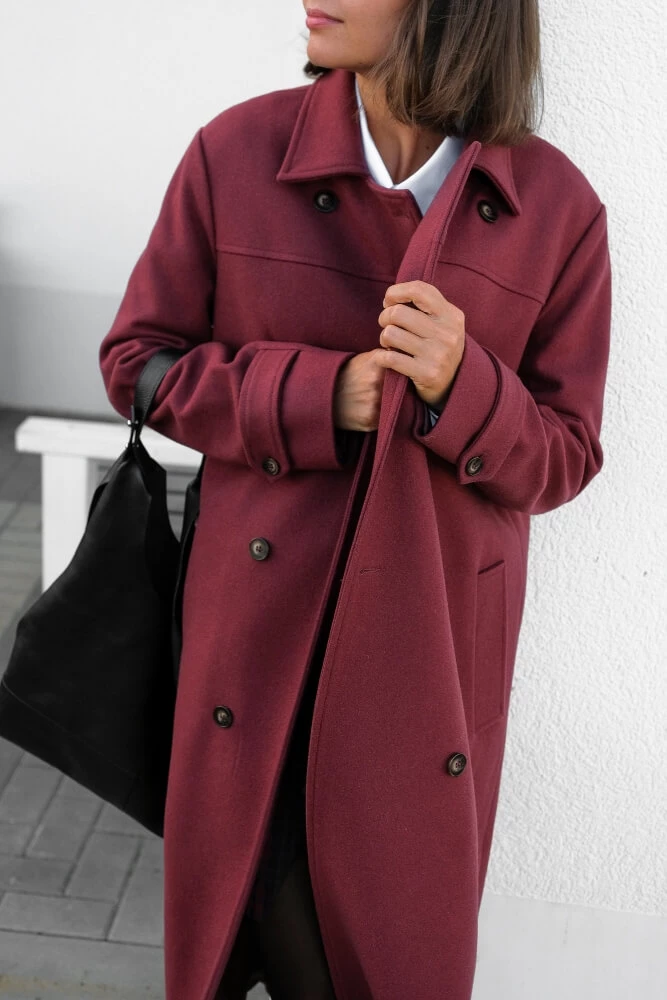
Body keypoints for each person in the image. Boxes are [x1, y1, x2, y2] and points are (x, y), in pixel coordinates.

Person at [98, 2, 612, 998]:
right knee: (256, 906)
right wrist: (315, 395)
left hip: (423, 663)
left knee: (389, 942)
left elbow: (566, 455)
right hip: (253, 650)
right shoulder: (234, 153)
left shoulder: (555, 207)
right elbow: (137, 363)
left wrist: (462, 387)